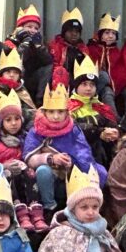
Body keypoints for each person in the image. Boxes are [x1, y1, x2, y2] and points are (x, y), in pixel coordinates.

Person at [23, 83, 107, 215]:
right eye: (51, 112)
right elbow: (29, 158)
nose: (56, 116)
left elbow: (83, 152)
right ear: (44, 112)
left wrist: (72, 163)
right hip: (51, 176)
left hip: (71, 171)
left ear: (67, 112)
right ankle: (49, 207)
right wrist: (50, 158)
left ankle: (86, 207)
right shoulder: (36, 131)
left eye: (60, 112)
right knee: (43, 171)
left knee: (100, 172)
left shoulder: (73, 128)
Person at [0, 91, 47, 232]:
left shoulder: (26, 136)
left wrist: (25, 165)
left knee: (29, 173)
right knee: (8, 175)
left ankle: (36, 213)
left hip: (22, 171)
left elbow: (30, 154)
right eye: (8, 120)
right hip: (2, 173)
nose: (13, 123)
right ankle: (21, 214)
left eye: (17, 119)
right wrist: (3, 166)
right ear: (2, 122)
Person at [2, 4, 51, 103]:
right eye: (29, 27)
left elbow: (48, 62)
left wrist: (38, 46)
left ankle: (40, 101)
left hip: (32, 79)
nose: (33, 30)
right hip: (16, 78)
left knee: (48, 68)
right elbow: (17, 62)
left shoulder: (37, 42)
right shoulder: (10, 42)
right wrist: (25, 43)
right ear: (20, 28)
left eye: (36, 28)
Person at [47, 7, 90, 88]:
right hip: (60, 81)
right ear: (64, 32)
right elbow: (52, 68)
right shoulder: (55, 45)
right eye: (70, 31)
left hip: (80, 81)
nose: (74, 34)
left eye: (77, 31)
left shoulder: (83, 48)